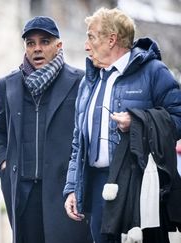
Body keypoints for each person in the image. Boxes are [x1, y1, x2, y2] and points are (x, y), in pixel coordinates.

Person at [63, 7, 181, 243]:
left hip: (138, 185)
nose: (86, 45)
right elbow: (79, 141)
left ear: (111, 39)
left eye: (91, 36)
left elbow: (177, 118)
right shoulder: (88, 82)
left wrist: (138, 122)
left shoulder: (153, 71)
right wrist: (72, 187)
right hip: (96, 185)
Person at [0, 16, 92, 243]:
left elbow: (86, 133)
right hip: (22, 193)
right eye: (31, 43)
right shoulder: (8, 84)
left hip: (64, 191)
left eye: (44, 41)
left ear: (58, 45)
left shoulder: (80, 81)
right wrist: (3, 163)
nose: (37, 49)